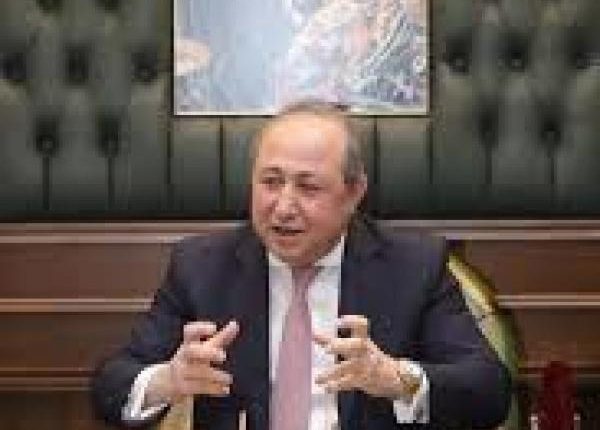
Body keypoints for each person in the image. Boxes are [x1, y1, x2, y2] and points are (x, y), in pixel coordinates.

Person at [92, 101, 511, 429]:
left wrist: (396, 380)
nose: (283, 207)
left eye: (308, 187)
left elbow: (489, 392)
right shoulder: (201, 266)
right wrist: (168, 380)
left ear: (353, 193)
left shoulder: (413, 266)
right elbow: (111, 387)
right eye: (270, 182)